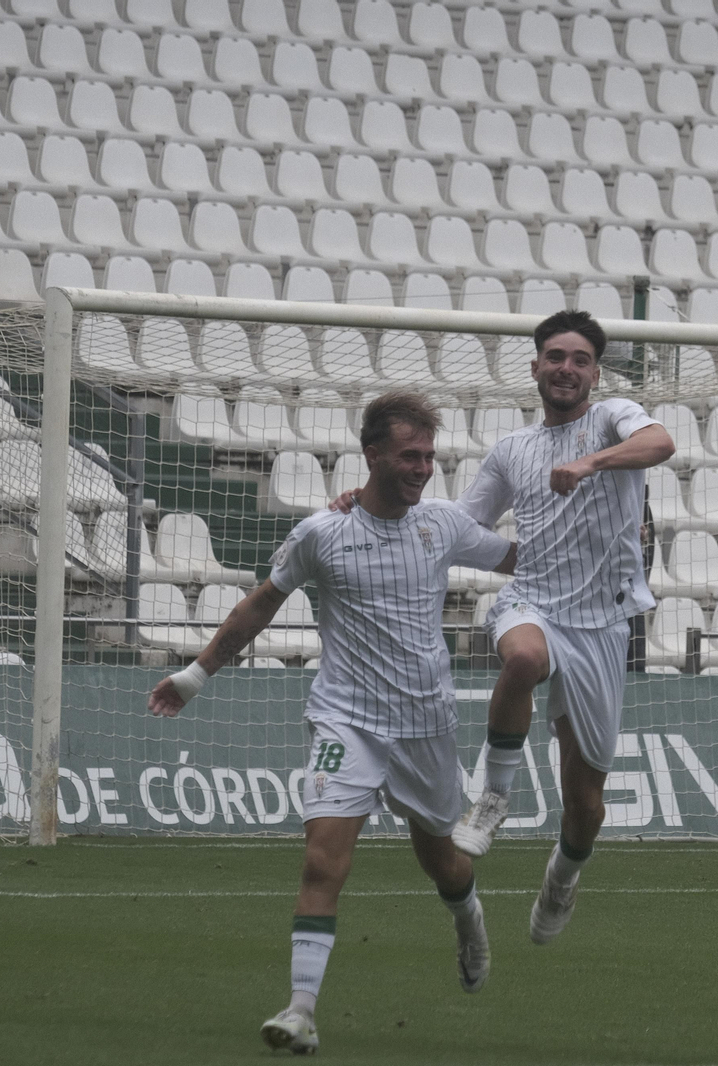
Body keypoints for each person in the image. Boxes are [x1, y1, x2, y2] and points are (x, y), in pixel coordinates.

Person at [149, 392, 518, 1054]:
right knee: (323, 860)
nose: (423, 468)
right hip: (344, 722)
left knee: (443, 863)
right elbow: (262, 603)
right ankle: (301, 1010)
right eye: (409, 455)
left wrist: (600, 543)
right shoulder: (323, 532)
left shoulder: (442, 525)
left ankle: (468, 918)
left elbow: (517, 559)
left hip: (425, 726)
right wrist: (196, 674)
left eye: (429, 456)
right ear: (372, 455)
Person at [334, 309, 675, 945]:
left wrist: (592, 464)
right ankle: (492, 798)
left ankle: (563, 876)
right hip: (533, 600)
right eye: (556, 357)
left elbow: (661, 444)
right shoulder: (513, 451)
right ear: (535, 366)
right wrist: (368, 501)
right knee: (521, 658)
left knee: (585, 805)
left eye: (580, 360)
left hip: (603, 623)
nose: (567, 368)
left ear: (595, 374)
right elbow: (461, 525)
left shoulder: (613, 417)